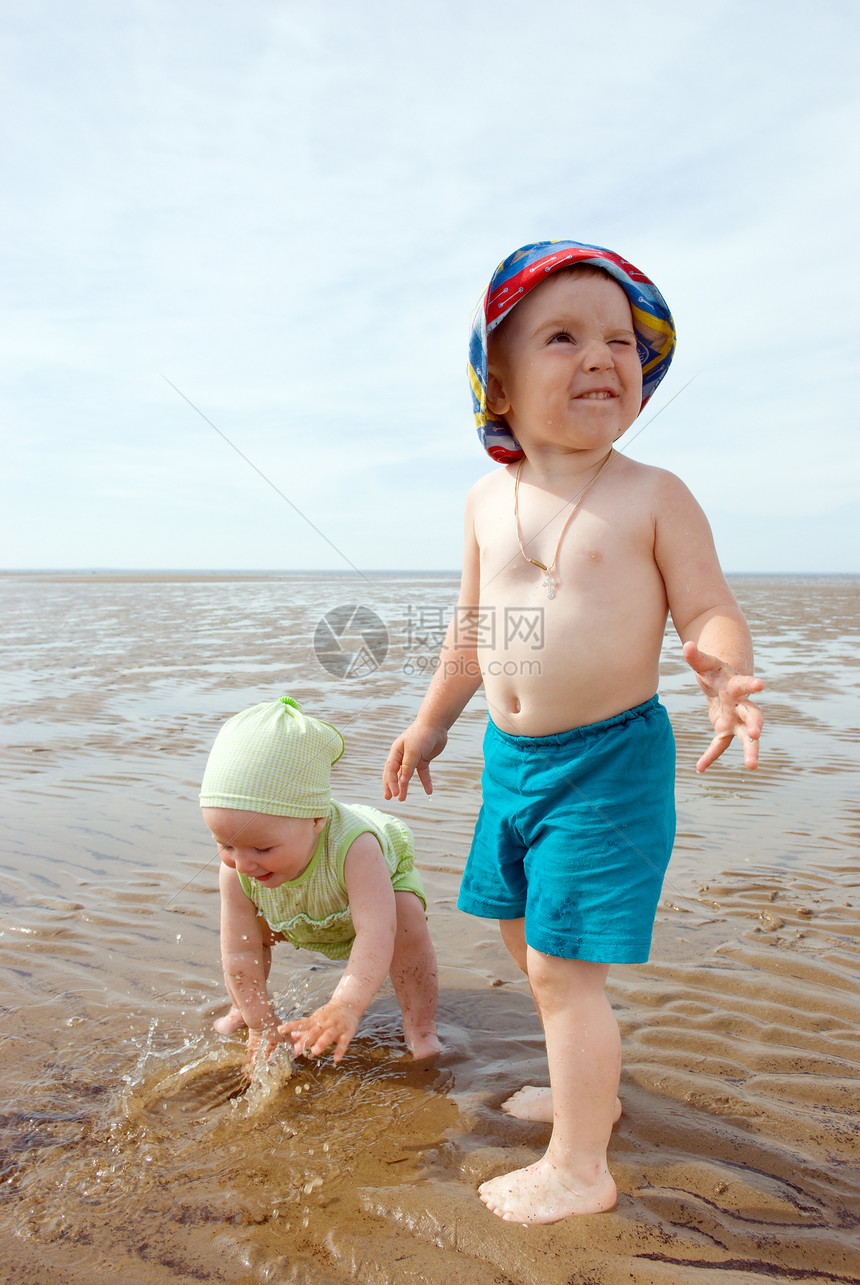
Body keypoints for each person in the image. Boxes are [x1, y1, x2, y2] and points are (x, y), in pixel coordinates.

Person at [382, 239, 763, 1224]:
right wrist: (429, 726)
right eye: (562, 337)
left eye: (620, 340)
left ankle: (579, 1165)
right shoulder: (482, 501)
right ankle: (581, 1076)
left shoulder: (652, 493)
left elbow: (708, 606)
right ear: (496, 388)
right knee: (521, 934)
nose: (601, 355)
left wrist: (723, 671)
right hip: (513, 764)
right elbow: (471, 633)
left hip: (606, 760)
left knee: (559, 964)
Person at [200, 695, 440, 1067]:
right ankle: (245, 1010)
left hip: (371, 898)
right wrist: (260, 1023)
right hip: (295, 912)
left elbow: (377, 934)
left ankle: (421, 1027)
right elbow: (238, 953)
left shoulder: (357, 848)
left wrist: (345, 1005)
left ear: (316, 820)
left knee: (406, 921)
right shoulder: (236, 870)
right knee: (251, 938)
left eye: (261, 848)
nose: (243, 863)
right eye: (226, 844)